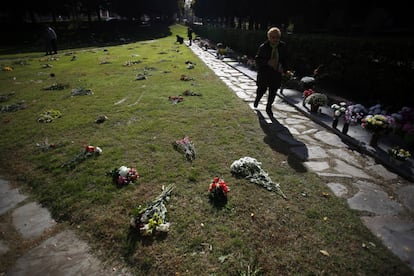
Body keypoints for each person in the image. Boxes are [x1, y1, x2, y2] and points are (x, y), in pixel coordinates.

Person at [254, 27, 288, 116]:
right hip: (265, 73)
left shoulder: (283, 47)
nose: (275, 39)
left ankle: (268, 107)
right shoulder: (263, 47)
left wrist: (283, 68)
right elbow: (258, 60)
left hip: (276, 73)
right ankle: (257, 99)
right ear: (269, 37)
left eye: (277, 37)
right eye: (273, 37)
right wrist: (267, 62)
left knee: (273, 91)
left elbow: (287, 59)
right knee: (261, 89)